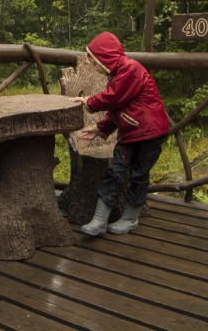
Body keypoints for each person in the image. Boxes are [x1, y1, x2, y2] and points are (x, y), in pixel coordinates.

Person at [70, 32, 169, 235]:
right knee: (115, 172)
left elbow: (113, 98)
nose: (95, 68)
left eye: (95, 63)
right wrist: (99, 130)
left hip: (149, 134)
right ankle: (99, 221)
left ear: (105, 58)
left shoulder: (130, 69)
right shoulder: (119, 74)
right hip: (131, 133)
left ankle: (130, 218)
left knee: (139, 175)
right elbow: (119, 109)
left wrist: (88, 101)